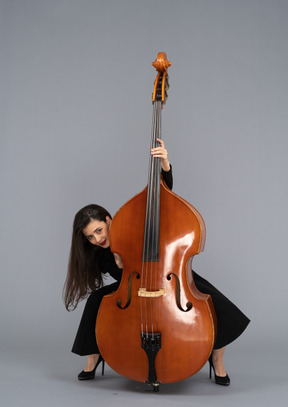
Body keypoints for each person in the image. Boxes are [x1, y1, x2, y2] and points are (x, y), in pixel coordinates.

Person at [63, 139, 250, 386]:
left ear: (109, 220)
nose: (98, 238)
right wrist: (118, 260)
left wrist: (165, 165)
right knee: (95, 301)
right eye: (91, 236)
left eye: (99, 230)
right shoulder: (96, 252)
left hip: (169, 279)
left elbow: (162, 204)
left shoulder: (130, 222)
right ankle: (93, 357)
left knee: (218, 308)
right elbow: (120, 274)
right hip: (133, 289)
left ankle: (217, 362)